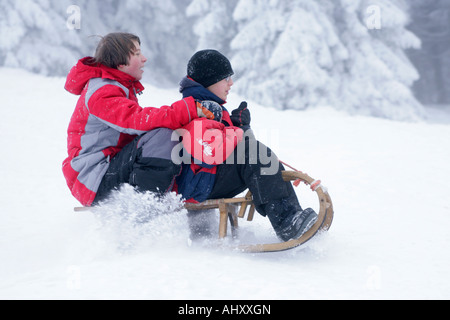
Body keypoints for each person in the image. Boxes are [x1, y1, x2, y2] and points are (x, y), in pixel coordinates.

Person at [175, 49, 318, 242]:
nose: (231, 83)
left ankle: (292, 216)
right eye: (225, 78)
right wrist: (239, 131)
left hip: (209, 178)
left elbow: (238, 149)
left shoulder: (212, 108)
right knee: (257, 154)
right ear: (209, 81)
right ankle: (286, 223)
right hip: (200, 184)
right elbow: (210, 153)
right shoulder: (196, 109)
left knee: (262, 157)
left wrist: (241, 127)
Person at [62, 33, 219, 207]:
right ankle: (146, 209)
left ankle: (158, 199)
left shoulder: (114, 86)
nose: (144, 59)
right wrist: (187, 110)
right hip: (94, 176)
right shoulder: (102, 91)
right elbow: (135, 120)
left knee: (163, 135)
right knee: (161, 137)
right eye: (137, 54)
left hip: (105, 169)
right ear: (120, 61)